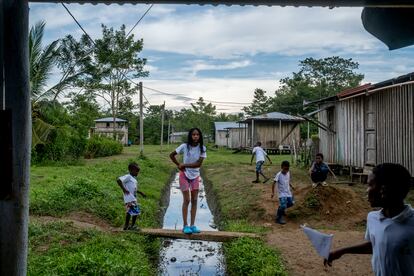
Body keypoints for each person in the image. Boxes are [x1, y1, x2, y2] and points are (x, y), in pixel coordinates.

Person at [324, 163, 414, 276]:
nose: (367, 190)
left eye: (370, 185)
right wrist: (342, 251)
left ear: (384, 189)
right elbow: (377, 244)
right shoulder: (373, 218)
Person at [169, 128, 206, 234]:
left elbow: (198, 164)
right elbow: (171, 155)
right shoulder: (184, 146)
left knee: (194, 200)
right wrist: (178, 165)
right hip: (184, 175)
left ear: (200, 136)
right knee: (187, 200)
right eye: (193, 135)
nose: (195, 136)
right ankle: (185, 225)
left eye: (197, 135)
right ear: (190, 136)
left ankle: (193, 225)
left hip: (195, 176)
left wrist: (184, 164)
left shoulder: (202, 148)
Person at [117, 162, 146, 231]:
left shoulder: (133, 179)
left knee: (130, 212)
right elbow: (118, 180)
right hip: (129, 198)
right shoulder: (128, 176)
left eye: (138, 171)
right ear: (130, 170)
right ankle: (131, 226)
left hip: (133, 198)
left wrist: (140, 192)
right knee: (134, 212)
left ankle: (127, 226)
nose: (137, 173)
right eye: (136, 171)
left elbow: (134, 189)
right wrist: (124, 189)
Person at [271, 160, 295, 224]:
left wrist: (291, 186)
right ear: (282, 167)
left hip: (288, 192)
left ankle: (281, 209)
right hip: (282, 193)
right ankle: (278, 218)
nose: (286, 170)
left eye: (287, 169)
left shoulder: (288, 173)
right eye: (285, 169)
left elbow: (287, 180)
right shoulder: (278, 175)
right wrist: (273, 192)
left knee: (291, 203)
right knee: (283, 205)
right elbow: (273, 183)